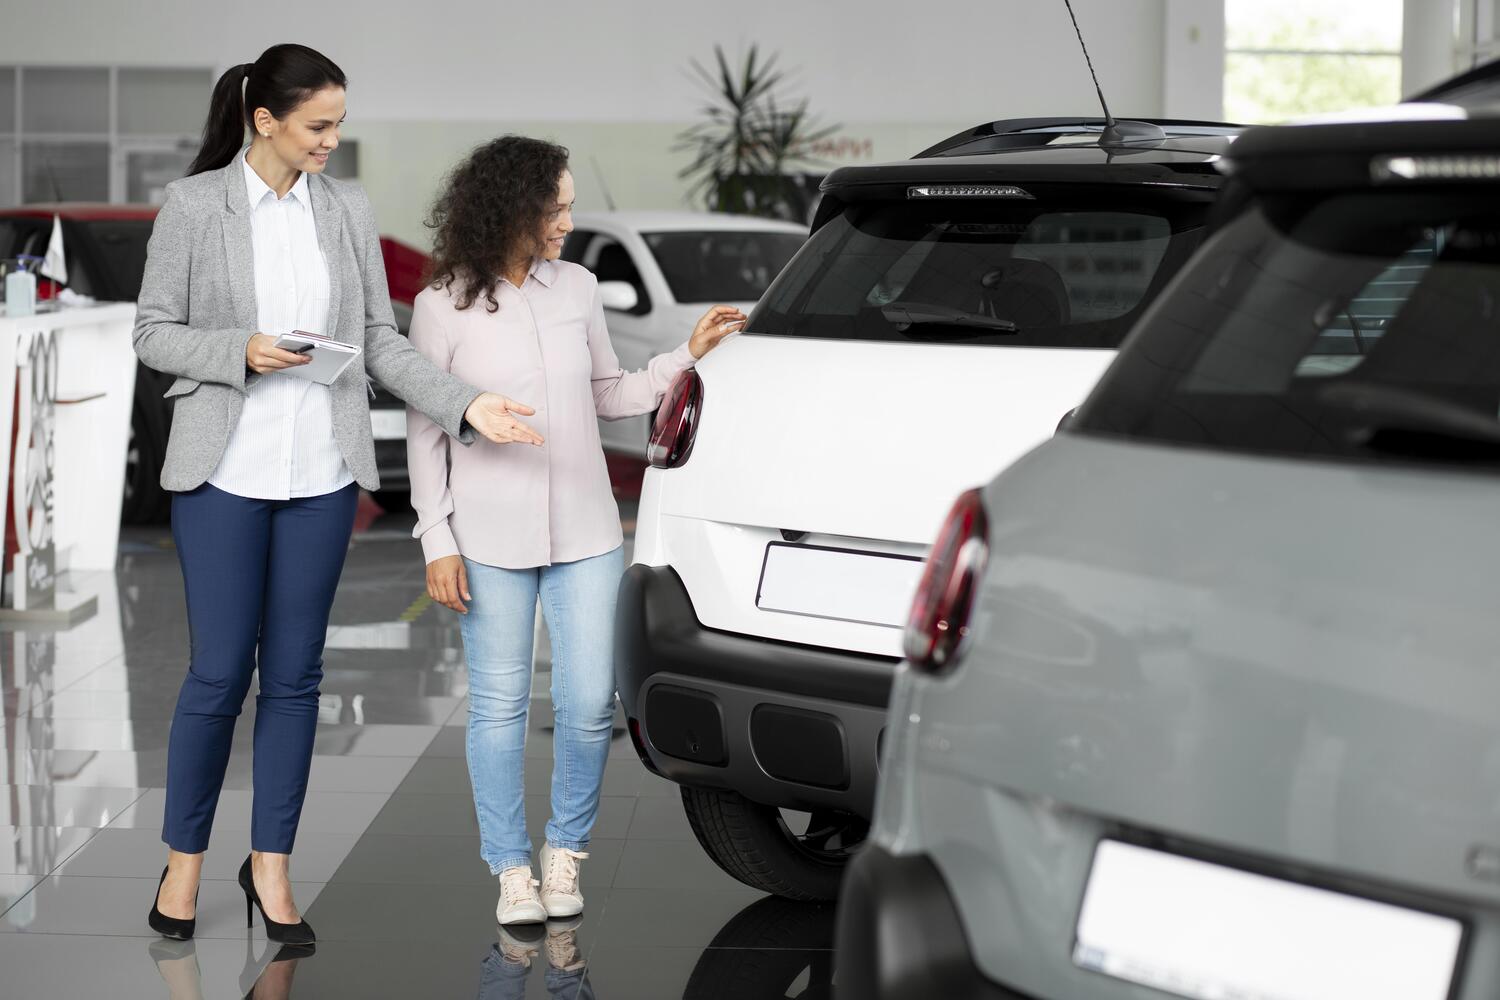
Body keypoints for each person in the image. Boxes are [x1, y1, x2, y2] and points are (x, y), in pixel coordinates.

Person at [135, 44, 539, 946]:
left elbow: (380, 343)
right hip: (224, 470)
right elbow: (153, 333)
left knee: (297, 677)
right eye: (319, 126)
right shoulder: (196, 206)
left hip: (320, 471)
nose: (332, 142)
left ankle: (270, 868)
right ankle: (184, 863)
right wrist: (237, 348)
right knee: (215, 673)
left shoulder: (345, 207)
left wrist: (466, 402)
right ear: (264, 119)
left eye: (339, 126)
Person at [407, 135, 744, 925]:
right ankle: (509, 870)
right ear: (511, 209)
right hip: (486, 538)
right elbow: (427, 430)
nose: (566, 219)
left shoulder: (579, 288)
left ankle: (565, 855)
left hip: (588, 530)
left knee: (592, 702)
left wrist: (681, 359)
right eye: (553, 206)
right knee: (499, 708)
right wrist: (436, 539)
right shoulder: (441, 305)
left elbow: (606, 391)